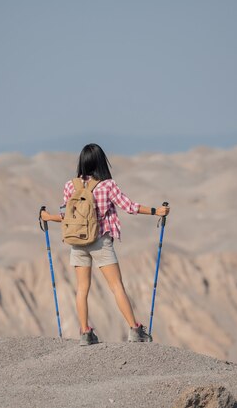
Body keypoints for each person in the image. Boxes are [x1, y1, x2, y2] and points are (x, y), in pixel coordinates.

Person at [40, 143, 170, 346]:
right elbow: (129, 207)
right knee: (116, 286)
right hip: (100, 242)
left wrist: (47, 217)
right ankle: (135, 329)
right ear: (101, 162)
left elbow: (66, 216)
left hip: (78, 242)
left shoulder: (70, 186)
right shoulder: (107, 185)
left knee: (82, 288)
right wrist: (156, 211)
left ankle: (85, 333)